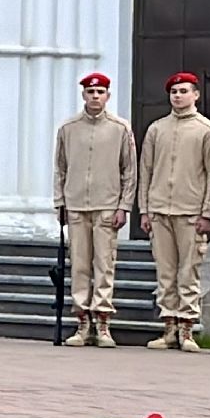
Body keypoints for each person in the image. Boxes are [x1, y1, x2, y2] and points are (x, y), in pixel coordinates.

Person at [137, 72, 210, 352]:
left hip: (190, 211)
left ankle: (187, 327)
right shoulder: (156, 129)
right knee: (165, 272)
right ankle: (169, 327)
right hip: (160, 209)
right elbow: (146, 170)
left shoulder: (207, 130)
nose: (178, 96)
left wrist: (208, 212)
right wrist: (145, 209)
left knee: (189, 271)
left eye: (184, 91)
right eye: (174, 91)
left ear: (196, 95)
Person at [52, 73, 137, 348]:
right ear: (83, 95)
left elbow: (129, 171)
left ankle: (102, 322)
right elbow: (60, 168)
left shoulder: (120, 128)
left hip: (106, 205)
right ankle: (82, 321)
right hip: (76, 204)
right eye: (91, 92)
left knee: (104, 264)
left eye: (100, 92)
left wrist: (124, 205)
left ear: (108, 96)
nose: (95, 97)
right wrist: (59, 203)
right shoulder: (68, 128)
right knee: (79, 265)